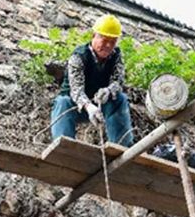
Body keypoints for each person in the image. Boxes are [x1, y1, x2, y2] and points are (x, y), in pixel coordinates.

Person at [50, 14, 134, 147]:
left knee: (120, 99)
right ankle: (64, 147)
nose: (107, 45)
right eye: (104, 40)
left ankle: (121, 146)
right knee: (62, 102)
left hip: (101, 105)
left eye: (112, 42)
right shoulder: (79, 57)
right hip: (75, 105)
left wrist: (108, 90)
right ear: (94, 36)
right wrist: (89, 107)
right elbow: (76, 90)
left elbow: (118, 82)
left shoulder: (116, 57)